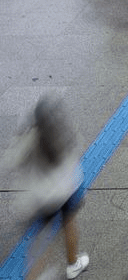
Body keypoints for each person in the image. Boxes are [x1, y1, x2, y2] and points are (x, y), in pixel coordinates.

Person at [2, 97, 90, 279]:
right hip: (68, 191)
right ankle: (73, 264)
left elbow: (12, 160)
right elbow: (75, 155)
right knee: (69, 224)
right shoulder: (64, 135)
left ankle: (33, 276)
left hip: (41, 199)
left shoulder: (30, 136)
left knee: (41, 242)